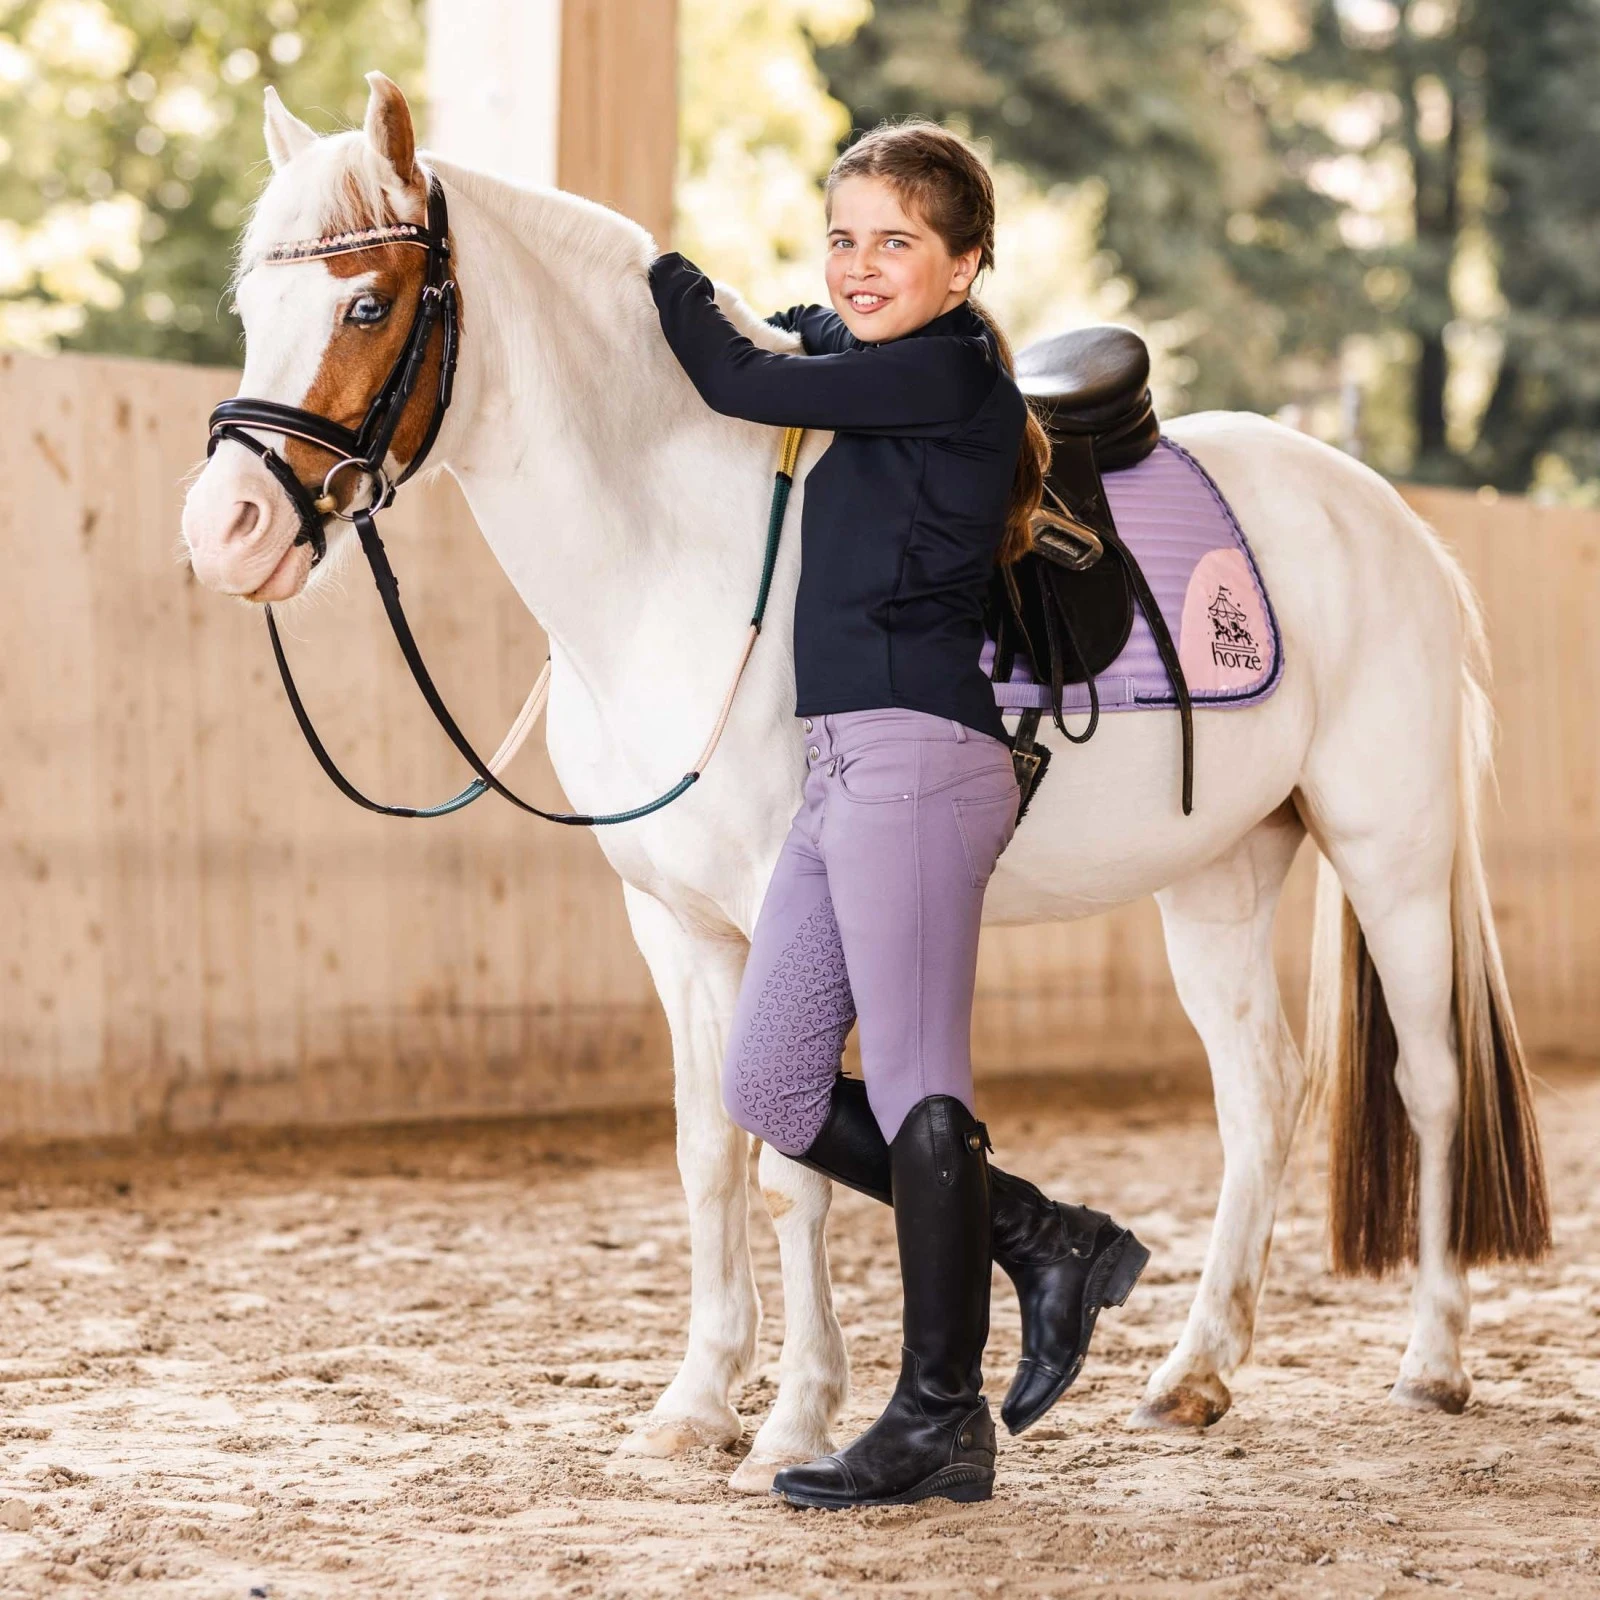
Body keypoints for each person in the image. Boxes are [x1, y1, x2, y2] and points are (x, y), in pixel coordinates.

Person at [647, 119, 1148, 1511]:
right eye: (845, 235)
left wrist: (651, 265)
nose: (860, 267)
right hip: (842, 767)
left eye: (899, 243)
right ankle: (1045, 1238)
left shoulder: (947, 378)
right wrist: (815, 306)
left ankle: (940, 1419)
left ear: (969, 264)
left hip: (922, 763)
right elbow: (811, 333)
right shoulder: (897, 362)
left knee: (925, 1081)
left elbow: (740, 373)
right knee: (771, 1085)